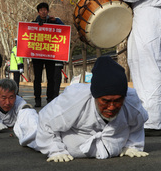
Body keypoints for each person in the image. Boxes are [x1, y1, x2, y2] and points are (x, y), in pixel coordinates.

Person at [14, 56, 149, 162]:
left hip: (107, 145)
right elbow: (46, 120)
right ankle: (25, 112)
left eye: (118, 101)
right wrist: (55, 150)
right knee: (31, 129)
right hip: (60, 137)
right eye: (105, 101)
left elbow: (138, 124)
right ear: (95, 96)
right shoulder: (75, 99)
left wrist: (132, 145)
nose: (112, 107)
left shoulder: (131, 100)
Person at [103, 0, 161, 130]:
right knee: (139, 64)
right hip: (143, 14)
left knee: (149, 66)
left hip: (149, 15)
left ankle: (153, 120)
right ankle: (148, 116)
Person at [32, 2, 65, 107]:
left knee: (51, 78)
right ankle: (37, 99)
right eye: (41, 10)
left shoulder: (54, 22)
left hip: (50, 55)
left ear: (48, 11)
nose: (43, 11)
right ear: (38, 12)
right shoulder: (33, 23)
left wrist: (57, 21)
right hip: (37, 56)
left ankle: (50, 99)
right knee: (37, 78)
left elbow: (65, 30)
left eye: (45, 9)